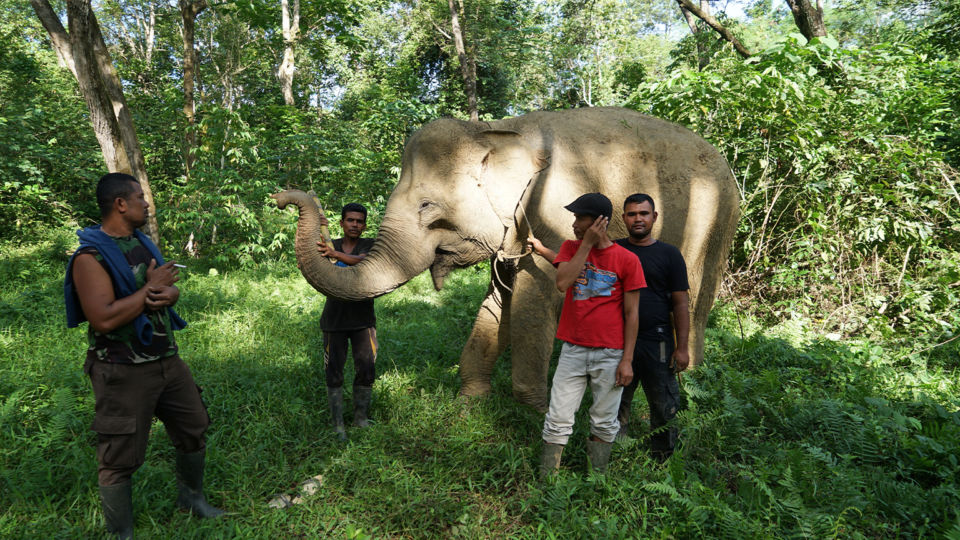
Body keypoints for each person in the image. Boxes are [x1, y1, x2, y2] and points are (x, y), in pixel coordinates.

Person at [64, 173, 224, 539]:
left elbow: (161, 292)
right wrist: (151, 290)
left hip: (167, 360)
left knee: (193, 427)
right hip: (122, 370)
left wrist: (171, 295)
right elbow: (103, 318)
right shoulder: (90, 257)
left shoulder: (142, 244)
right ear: (121, 204)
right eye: (140, 197)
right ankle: (121, 533)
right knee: (119, 455)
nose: (146, 202)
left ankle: (192, 500)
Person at [537, 193, 646, 476]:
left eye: (580, 218)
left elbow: (632, 314)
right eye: (574, 217)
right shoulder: (571, 248)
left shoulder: (627, 259)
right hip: (573, 350)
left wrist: (627, 360)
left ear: (600, 222)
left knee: (604, 421)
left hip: (611, 353)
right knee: (557, 417)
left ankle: (596, 481)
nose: (574, 223)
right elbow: (563, 282)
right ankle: (548, 483)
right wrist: (585, 245)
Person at [615, 193, 690, 461]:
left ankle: (663, 458)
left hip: (657, 341)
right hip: (617, 341)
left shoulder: (669, 254)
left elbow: (681, 303)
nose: (638, 219)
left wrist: (682, 348)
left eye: (643, 214)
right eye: (632, 214)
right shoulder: (613, 250)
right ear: (623, 218)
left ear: (654, 217)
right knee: (616, 399)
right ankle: (617, 453)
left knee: (663, 402)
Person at [316, 203, 377, 441]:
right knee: (334, 371)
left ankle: (360, 419)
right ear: (341, 223)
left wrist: (337, 256)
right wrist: (319, 228)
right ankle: (338, 423)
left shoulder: (370, 245)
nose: (355, 224)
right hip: (334, 320)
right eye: (350, 220)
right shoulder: (330, 244)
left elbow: (365, 261)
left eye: (360, 221)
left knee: (367, 369)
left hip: (363, 321)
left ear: (364, 225)